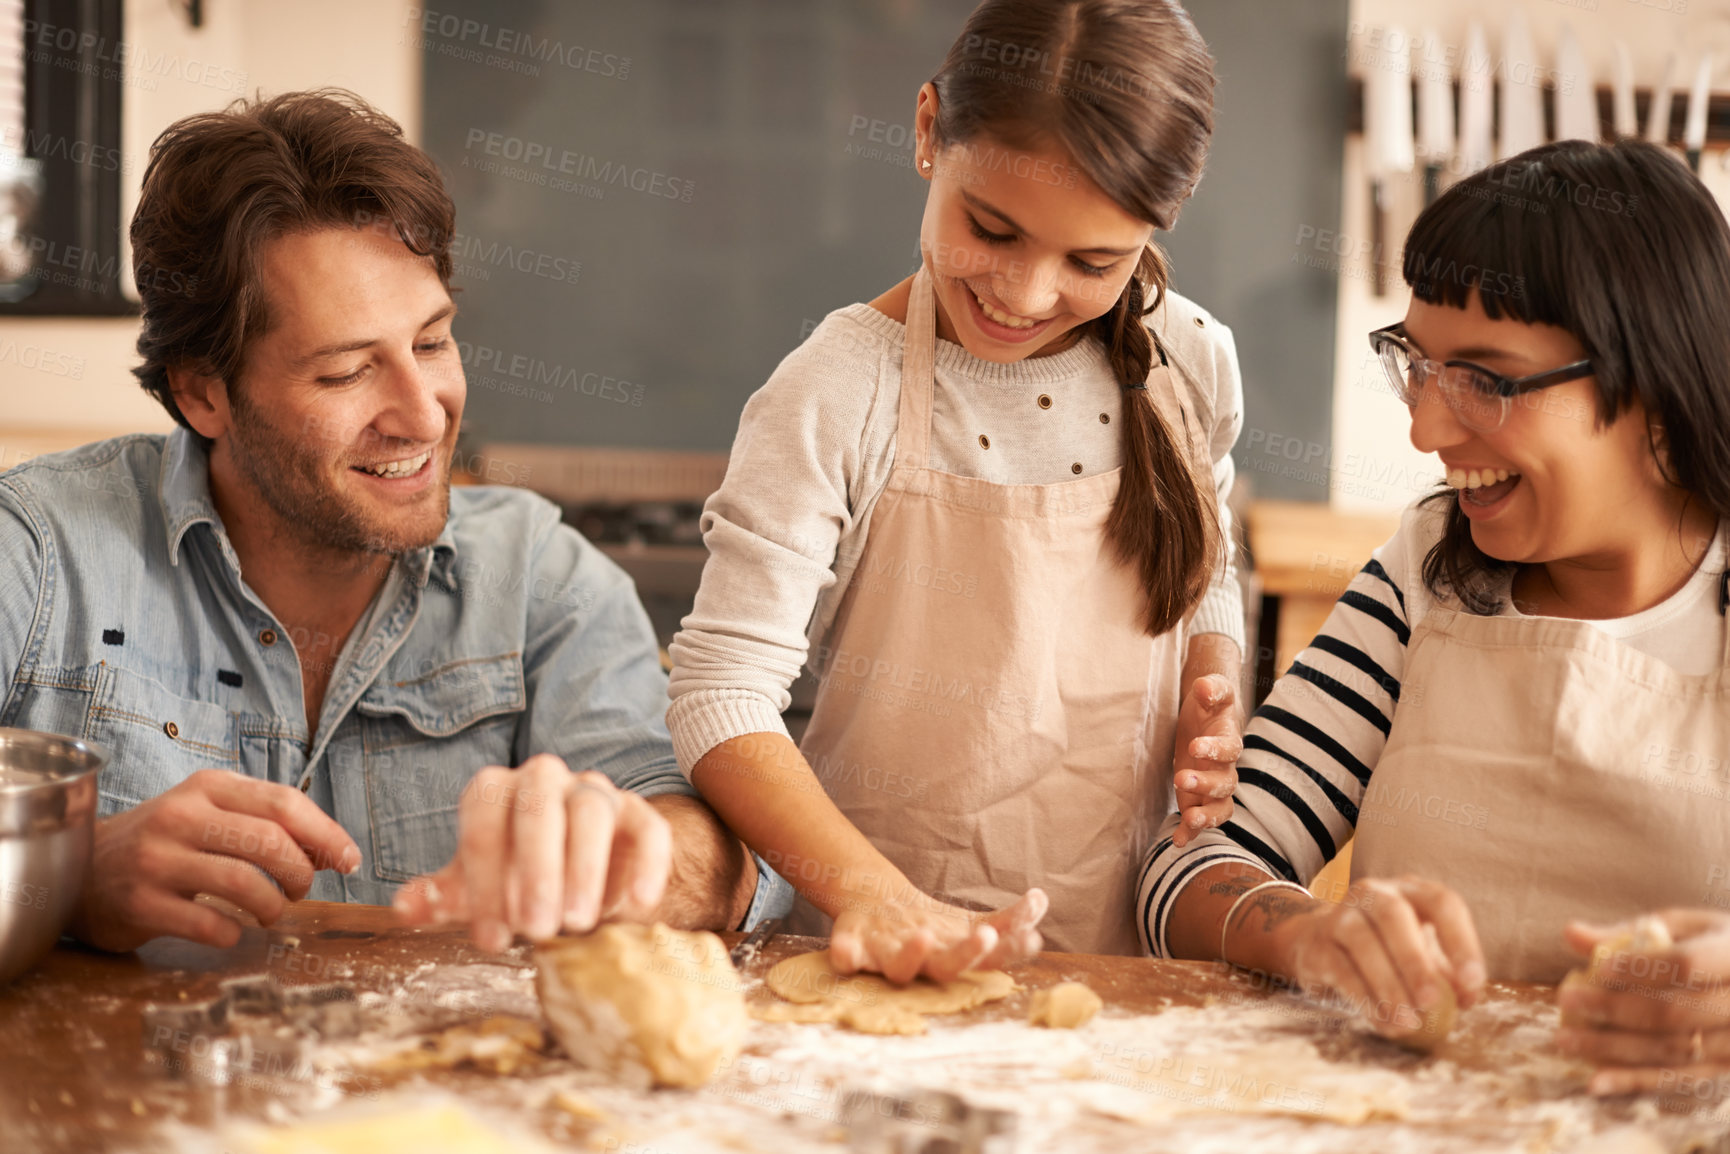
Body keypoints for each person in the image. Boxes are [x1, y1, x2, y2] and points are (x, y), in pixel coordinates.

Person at [0, 90, 788, 955]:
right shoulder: (36, 554)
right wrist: (66, 879)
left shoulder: (539, 579)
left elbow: (715, 851)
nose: (422, 415)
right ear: (203, 393)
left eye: (432, 343)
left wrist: (648, 862)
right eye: (345, 374)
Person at [669, 0, 1247, 981]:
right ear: (929, 129)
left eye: (1091, 261)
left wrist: (1212, 688)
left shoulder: (1189, 357)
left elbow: (1209, 568)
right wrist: (873, 894)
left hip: (1121, 965)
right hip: (869, 958)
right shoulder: (839, 386)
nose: (1023, 292)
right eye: (992, 227)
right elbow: (719, 697)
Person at [1141, 137, 1730, 1092]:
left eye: (1487, 380)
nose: (1427, 429)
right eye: (1418, 364)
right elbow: (1190, 863)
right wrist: (1306, 932)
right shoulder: (1425, 571)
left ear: (1656, 389)